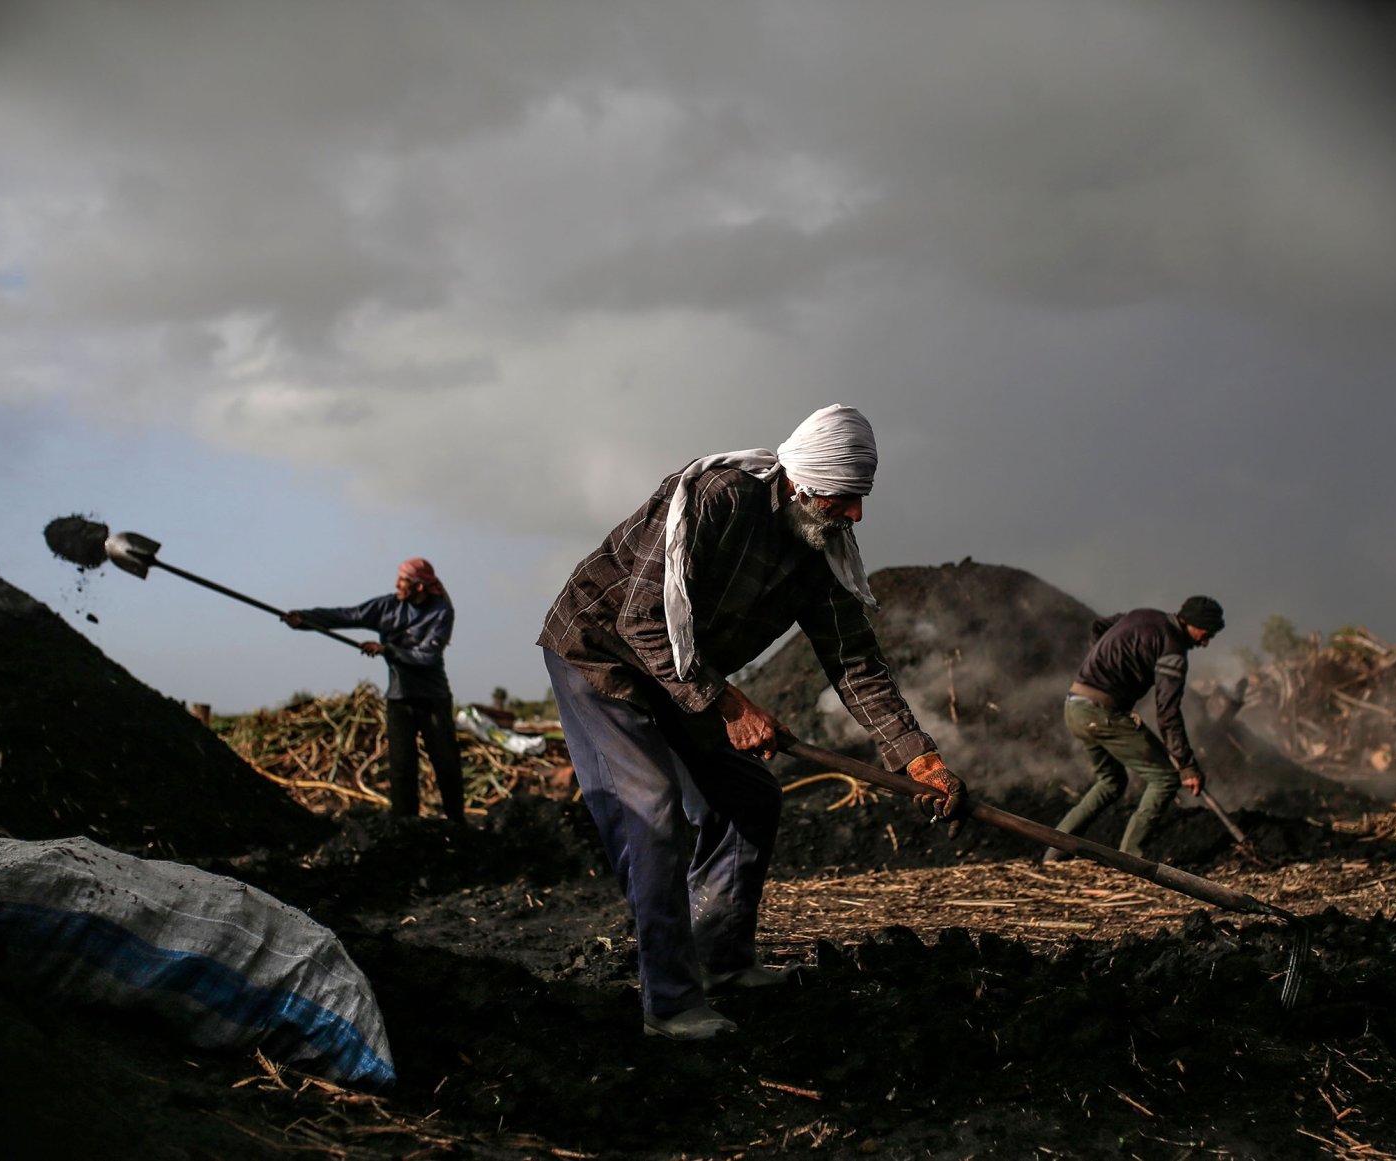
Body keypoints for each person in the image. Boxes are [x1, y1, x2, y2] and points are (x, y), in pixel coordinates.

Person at [537, 404, 968, 1041]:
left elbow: (854, 662)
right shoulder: (714, 499)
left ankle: (722, 964)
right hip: (603, 659)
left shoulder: (822, 548)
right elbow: (642, 625)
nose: (855, 515)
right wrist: (733, 707)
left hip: (686, 677)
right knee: (651, 812)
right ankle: (673, 1004)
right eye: (846, 497)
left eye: (861, 499)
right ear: (803, 480)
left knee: (748, 795)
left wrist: (917, 757)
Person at [282, 559, 465, 822]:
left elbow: (427, 656)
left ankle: (457, 822)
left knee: (445, 762)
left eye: (402, 580)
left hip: (433, 698)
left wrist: (388, 650)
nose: (396, 584)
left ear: (420, 586)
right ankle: (405, 824)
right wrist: (305, 619)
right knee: (402, 767)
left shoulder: (441, 611)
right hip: (399, 699)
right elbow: (348, 615)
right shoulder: (387, 606)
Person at [1046, 596, 1225, 860]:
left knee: (1111, 783)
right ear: (1190, 623)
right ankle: (1130, 858)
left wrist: (1104, 666)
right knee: (1165, 778)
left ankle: (1053, 855)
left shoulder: (1141, 615)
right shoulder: (1173, 651)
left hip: (1075, 706)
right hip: (1101, 713)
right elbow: (1168, 713)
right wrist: (1187, 767)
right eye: (1205, 634)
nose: (1205, 642)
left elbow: (1099, 627)